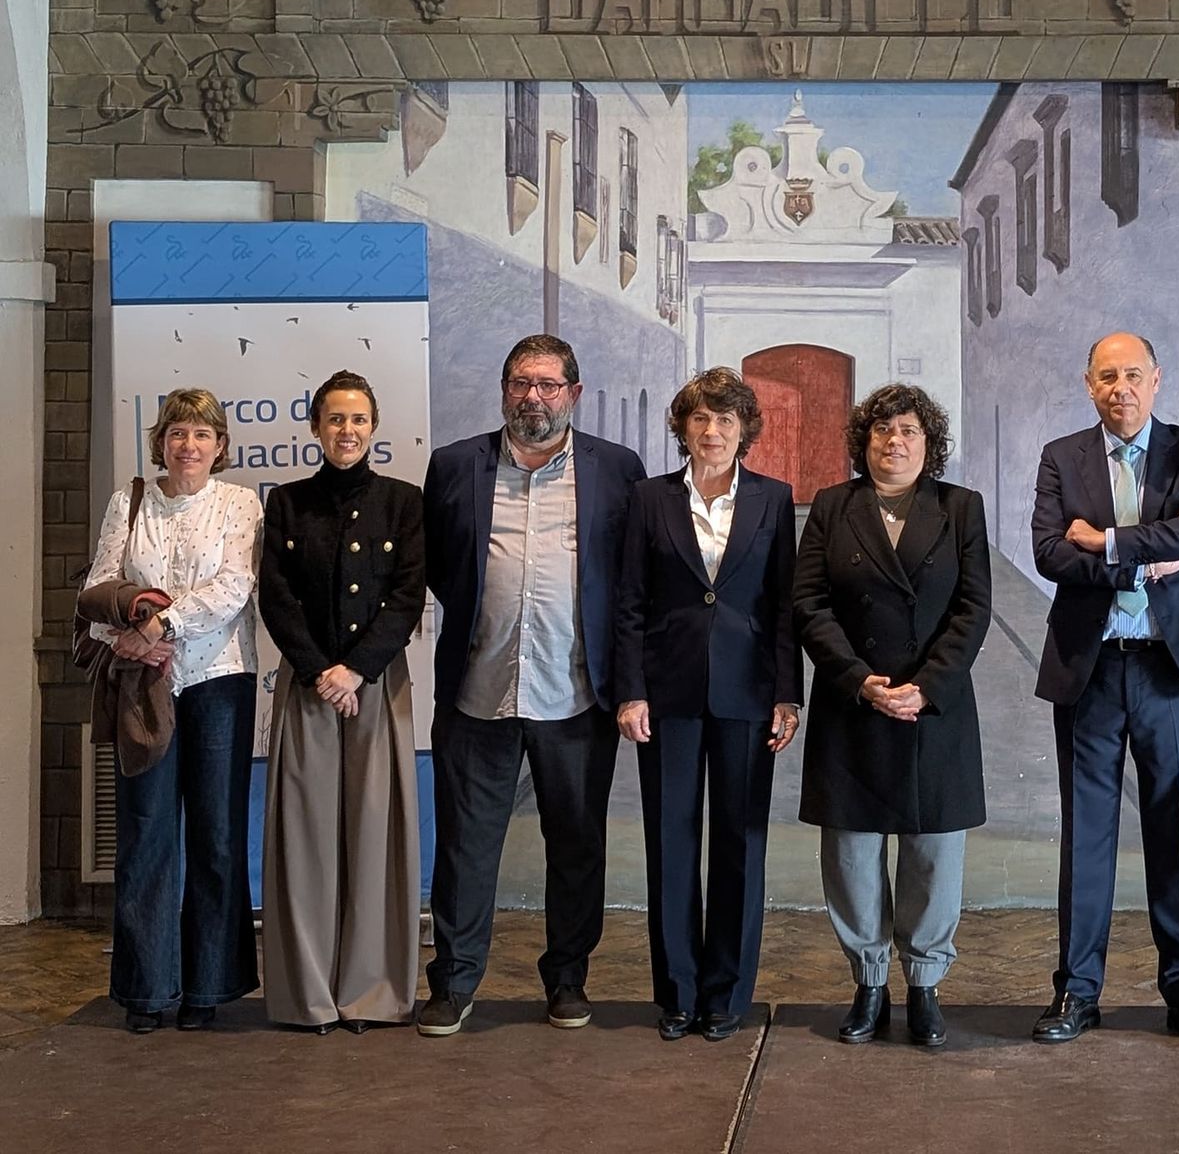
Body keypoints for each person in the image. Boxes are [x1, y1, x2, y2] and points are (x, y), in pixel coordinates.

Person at [417, 334, 646, 1036]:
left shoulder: (618, 470)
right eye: (521, 383)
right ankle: (454, 983)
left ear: (573, 393)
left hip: (576, 694)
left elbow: (630, 580)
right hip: (477, 690)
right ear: (504, 391)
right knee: (465, 847)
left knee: (575, 845)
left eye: (548, 385)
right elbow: (440, 565)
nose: (533, 397)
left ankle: (567, 979)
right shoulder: (455, 465)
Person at [1030, 333, 1179, 1052]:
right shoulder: (1062, 456)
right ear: (1089, 385)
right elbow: (1049, 552)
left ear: (1157, 380)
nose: (1122, 387)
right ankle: (1076, 991)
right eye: (1108, 376)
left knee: (1176, 834)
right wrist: (1148, 557)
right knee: (1086, 835)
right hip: (1089, 667)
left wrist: (1106, 542)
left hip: (1170, 669)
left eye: (1134, 375)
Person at [794, 383, 991, 1049]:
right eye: (882, 431)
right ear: (865, 442)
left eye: (908, 430)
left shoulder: (961, 508)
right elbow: (809, 603)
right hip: (855, 702)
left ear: (928, 443)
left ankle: (925, 985)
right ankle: (869, 982)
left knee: (934, 853)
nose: (894, 442)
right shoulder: (832, 506)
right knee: (851, 854)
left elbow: (973, 607)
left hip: (933, 708)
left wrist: (925, 686)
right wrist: (859, 679)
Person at [615, 367, 800, 1043]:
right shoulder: (649, 498)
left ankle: (726, 994)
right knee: (670, 841)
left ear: (744, 429)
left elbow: (784, 604)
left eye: (725, 419)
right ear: (683, 428)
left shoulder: (774, 499)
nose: (712, 431)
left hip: (749, 692)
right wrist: (630, 689)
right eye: (700, 418)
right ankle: (678, 993)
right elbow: (630, 601)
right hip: (666, 693)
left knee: (740, 844)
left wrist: (788, 694)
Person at [83, 387, 262, 1033]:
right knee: (146, 833)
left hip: (219, 682)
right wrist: (130, 635)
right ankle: (147, 990)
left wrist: (161, 626)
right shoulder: (128, 503)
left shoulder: (240, 504)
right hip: (144, 684)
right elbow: (98, 587)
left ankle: (209, 986)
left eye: (202, 434)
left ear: (221, 446)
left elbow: (234, 587)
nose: (189, 445)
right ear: (160, 441)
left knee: (216, 836)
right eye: (178, 433)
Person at [258, 369, 426, 1033]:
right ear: (315, 428)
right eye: (335, 419)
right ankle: (307, 996)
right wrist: (320, 671)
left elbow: (407, 596)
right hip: (308, 687)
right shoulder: (287, 503)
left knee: (376, 836)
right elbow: (276, 597)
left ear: (374, 427)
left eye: (358, 419)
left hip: (377, 686)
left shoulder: (403, 503)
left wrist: (355, 671)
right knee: (305, 841)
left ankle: (371, 993)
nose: (347, 431)